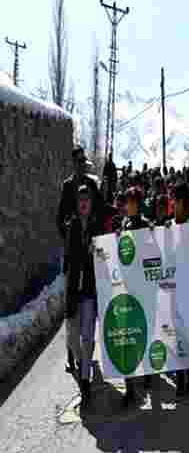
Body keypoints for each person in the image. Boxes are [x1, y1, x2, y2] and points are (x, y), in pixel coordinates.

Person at [57, 147, 104, 376]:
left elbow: (103, 209)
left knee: (86, 307)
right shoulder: (67, 186)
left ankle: (85, 357)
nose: (80, 164)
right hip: (72, 252)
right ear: (72, 162)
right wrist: (68, 236)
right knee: (70, 308)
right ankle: (71, 357)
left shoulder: (92, 184)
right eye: (77, 160)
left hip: (90, 252)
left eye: (83, 161)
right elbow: (60, 217)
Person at [64, 184, 104, 410]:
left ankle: (86, 382)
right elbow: (68, 261)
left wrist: (95, 251)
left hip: (89, 290)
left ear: (90, 202)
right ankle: (82, 366)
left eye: (86, 199)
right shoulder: (72, 226)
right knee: (73, 339)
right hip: (73, 292)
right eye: (80, 200)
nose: (83, 203)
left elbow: (104, 254)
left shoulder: (97, 226)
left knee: (87, 338)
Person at [118, 186, 154, 408]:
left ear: (138, 204)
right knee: (127, 337)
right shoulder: (124, 224)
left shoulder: (145, 224)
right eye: (127, 201)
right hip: (127, 288)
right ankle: (130, 387)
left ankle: (148, 374)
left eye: (131, 201)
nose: (127, 205)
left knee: (143, 333)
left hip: (142, 288)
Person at [165, 182, 189, 398]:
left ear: (183, 203)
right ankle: (180, 380)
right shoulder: (168, 226)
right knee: (176, 336)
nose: (172, 204)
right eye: (171, 200)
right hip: (173, 290)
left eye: (175, 200)